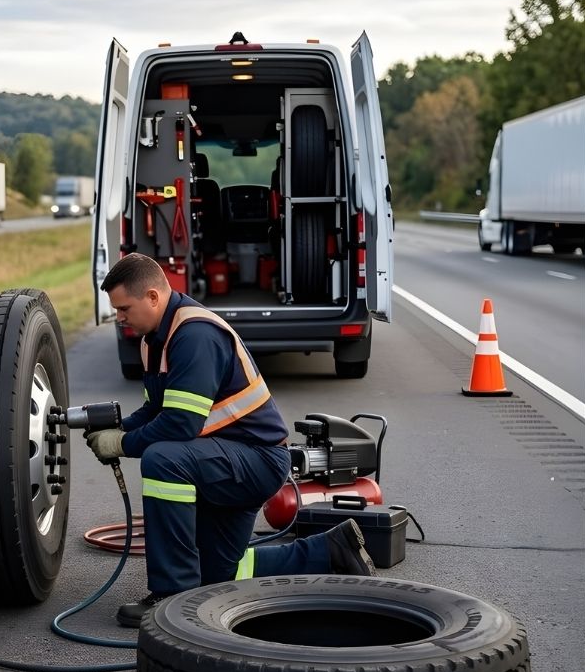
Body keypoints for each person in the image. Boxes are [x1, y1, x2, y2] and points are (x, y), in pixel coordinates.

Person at [85, 253, 376, 627]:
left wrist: (122, 445)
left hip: (254, 462)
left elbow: (179, 426)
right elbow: (154, 412)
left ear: (154, 297)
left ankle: (169, 594)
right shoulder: (154, 340)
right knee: (219, 575)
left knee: (161, 459)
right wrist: (118, 429)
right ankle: (330, 550)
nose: (119, 317)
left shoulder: (194, 335)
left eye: (124, 308)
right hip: (219, 462)